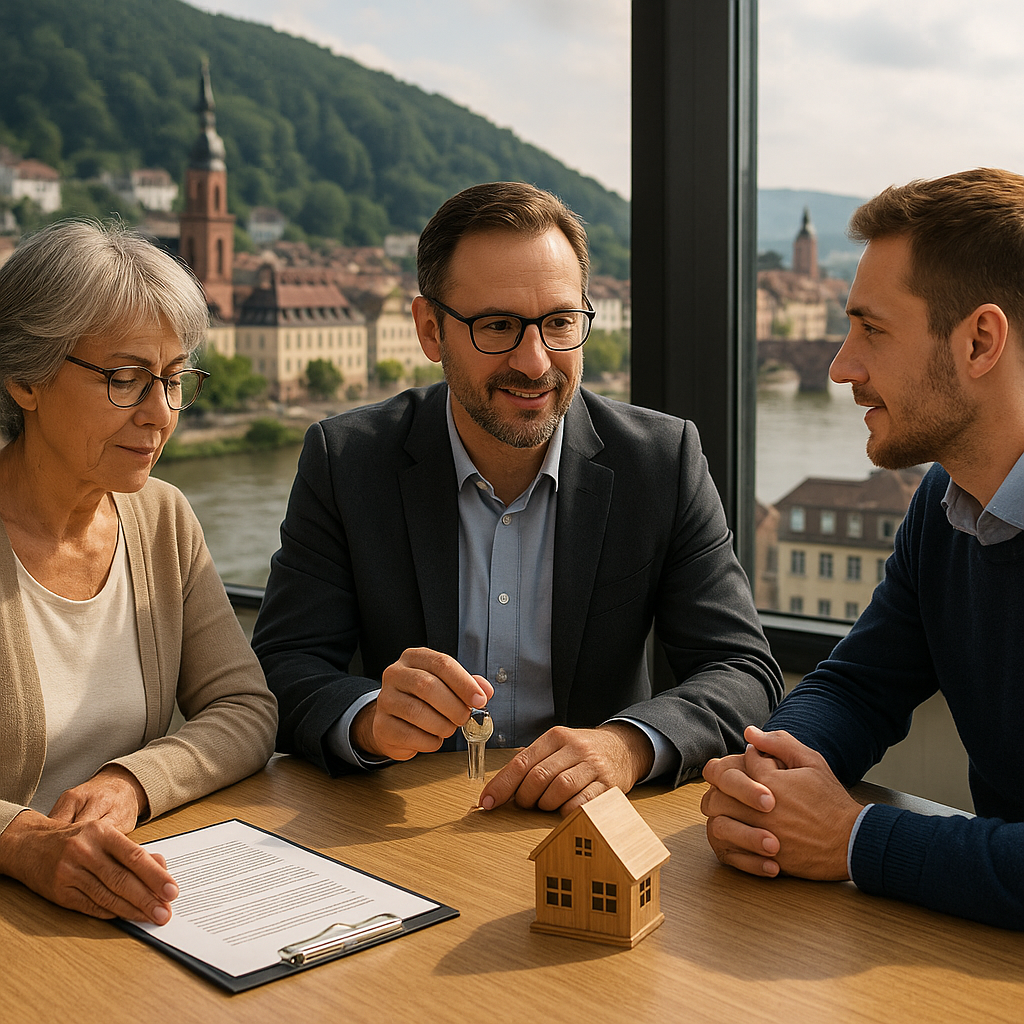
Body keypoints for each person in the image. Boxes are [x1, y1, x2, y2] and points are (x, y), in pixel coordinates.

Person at [253, 181, 782, 815]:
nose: (535, 362)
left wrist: (626, 746)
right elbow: (282, 667)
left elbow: (743, 671)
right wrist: (367, 717)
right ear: (429, 330)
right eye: (497, 327)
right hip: (402, 821)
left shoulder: (660, 460)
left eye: (559, 323)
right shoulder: (346, 461)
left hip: (591, 830)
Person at [701, 167, 1024, 930]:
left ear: (980, 341)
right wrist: (772, 772)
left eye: (871, 329)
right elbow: (857, 686)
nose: (843, 364)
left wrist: (854, 840)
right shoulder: (944, 509)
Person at [0, 221, 277, 926]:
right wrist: (24, 840)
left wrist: (132, 782)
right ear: (25, 377)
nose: (159, 415)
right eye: (125, 379)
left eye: (174, 379)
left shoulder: (162, 519)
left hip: (120, 905)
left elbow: (246, 710)